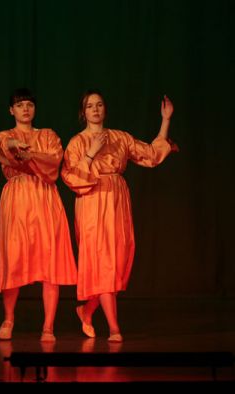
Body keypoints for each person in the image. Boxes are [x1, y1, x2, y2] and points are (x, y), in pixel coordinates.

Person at [61, 90, 179, 342]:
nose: (95, 109)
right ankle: (114, 328)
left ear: (105, 109)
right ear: (83, 113)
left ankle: (87, 310)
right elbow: (70, 177)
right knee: (102, 261)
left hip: (117, 200)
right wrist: (91, 152)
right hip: (92, 200)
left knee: (117, 261)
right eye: (90, 106)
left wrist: (166, 120)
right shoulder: (77, 142)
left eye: (99, 104)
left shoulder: (120, 137)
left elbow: (151, 154)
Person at [0, 88, 77, 342]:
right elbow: (4, 145)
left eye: (29, 105)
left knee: (50, 258)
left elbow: (54, 160)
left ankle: (48, 326)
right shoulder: (6, 135)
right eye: (20, 105)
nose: (25, 109)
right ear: (12, 110)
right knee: (14, 256)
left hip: (44, 196)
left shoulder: (48, 135)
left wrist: (30, 155)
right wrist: (14, 145)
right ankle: (8, 319)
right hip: (18, 197)